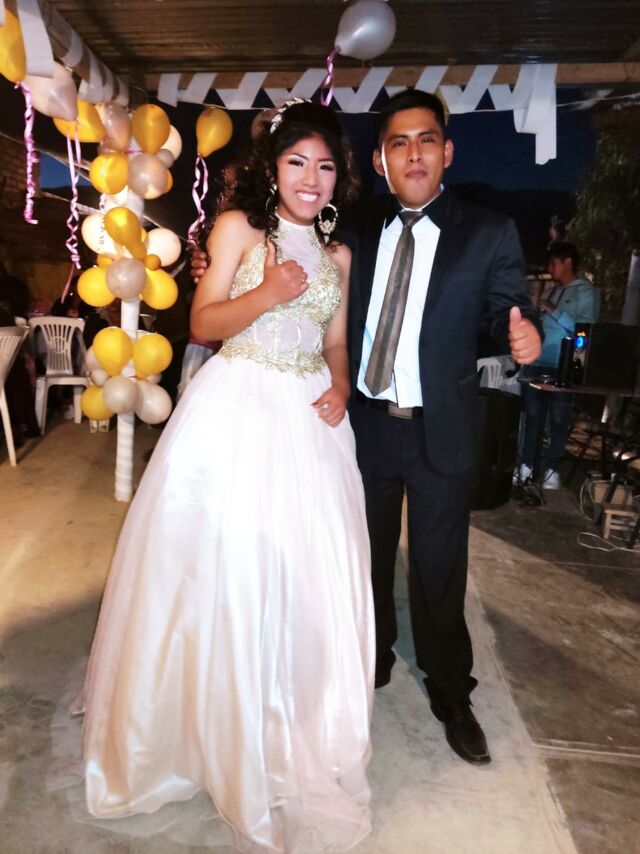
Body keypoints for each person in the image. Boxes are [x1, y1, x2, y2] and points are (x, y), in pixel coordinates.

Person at [193, 89, 542, 768]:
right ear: (380, 161)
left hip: (440, 427)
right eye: (398, 143)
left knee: (439, 569)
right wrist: (219, 269)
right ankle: (370, 658)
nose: (414, 154)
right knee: (363, 557)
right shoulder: (353, 227)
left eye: (426, 140)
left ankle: (451, 692)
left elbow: (510, 305)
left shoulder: (489, 231)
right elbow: (287, 256)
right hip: (364, 425)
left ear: (447, 151)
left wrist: (521, 333)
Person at [81, 100, 374, 853]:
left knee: (306, 574)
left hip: (310, 419)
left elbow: (336, 340)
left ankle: (289, 720)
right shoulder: (240, 229)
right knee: (224, 568)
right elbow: (204, 324)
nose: (311, 178)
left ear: (338, 177)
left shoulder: (339, 255)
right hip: (238, 403)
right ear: (273, 169)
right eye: (297, 162)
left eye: (325, 166)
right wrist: (266, 293)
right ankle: (205, 723)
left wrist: (343, 384)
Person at [517, 241, 600, 488]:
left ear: (568, 262)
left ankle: (551, 470)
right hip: (536, 362)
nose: (550, 267)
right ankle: (527, 465)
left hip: (562, 365)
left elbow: (585, 330)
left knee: (558, 419)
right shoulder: (551, 291)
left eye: (554, 263)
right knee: (532, 417)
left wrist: (554, 311)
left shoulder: (585, 292)